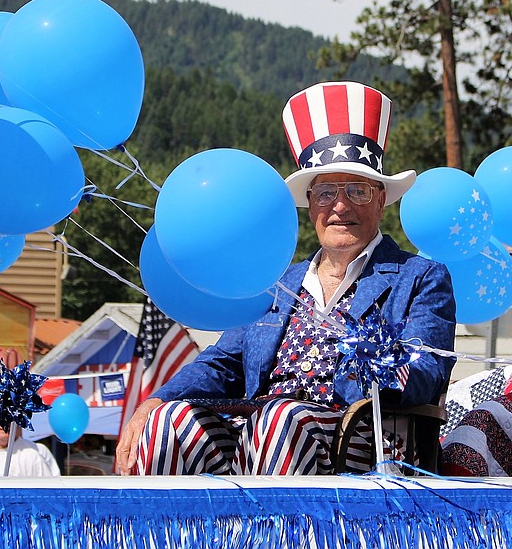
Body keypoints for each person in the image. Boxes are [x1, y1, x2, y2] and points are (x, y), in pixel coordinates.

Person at [116, 81, 456, 476]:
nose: (340, 206)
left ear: (381, 199)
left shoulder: (420, 277)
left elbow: (427, 372)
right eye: (326, 192)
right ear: (310, 204)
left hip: (366, 435)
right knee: (167, 425)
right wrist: (156, 402)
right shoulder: (277, 280)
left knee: (280, 420)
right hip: (259, 430)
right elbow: (223, 363)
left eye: (358, 191)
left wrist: (376, 365)